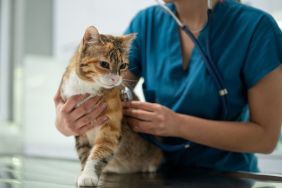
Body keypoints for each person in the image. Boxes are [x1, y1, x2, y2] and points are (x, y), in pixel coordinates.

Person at [54, 0, 282, 172]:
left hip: (227, 178)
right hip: (152, 173)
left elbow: (265, 138)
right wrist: (66, 122)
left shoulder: (257, 29)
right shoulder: (147, 22)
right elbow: (112, 88)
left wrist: (177, 125)